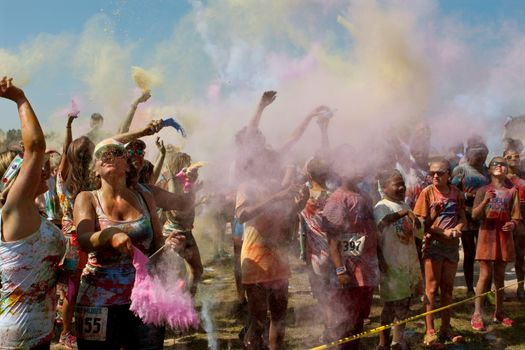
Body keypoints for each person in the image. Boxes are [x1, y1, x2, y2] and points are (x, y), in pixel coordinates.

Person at [73, 139, 183, 349]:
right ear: (95, 169)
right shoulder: (87, 198)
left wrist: (169, 246)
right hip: (98, 301)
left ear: (127, 164)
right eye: (102, 154)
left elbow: (157, 242)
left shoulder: (144, 196)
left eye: (116, 152)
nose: (109, 156)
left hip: (145, 298)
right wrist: (108, 235)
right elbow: (84, 240)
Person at [0, 76, 66, 349]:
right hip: (17, 336)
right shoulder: (15, 210)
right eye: (37, 170)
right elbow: (35, 147)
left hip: (38, 330)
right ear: (15, 180)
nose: (45, 173)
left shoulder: (30, 214)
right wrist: (19, 98)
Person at [236, 149, 308, 350]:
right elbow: (241, 215)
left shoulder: (277, 187)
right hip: (256, 260)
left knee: (279, 319)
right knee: (258, 322)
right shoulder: (246, 187)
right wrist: (276, 197)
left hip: (278, 260)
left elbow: (286, 216)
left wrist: (300, 203)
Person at [322, 146, 379, 350]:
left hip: (366, 267)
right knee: (346, 316)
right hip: (349, 270)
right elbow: (333, 239)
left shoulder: (364, 195)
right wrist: (340, 269)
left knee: (360, 316)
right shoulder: (338, 199)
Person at [413, 158, 467, 347]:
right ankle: (429, 330)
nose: (435, 176)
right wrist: (442, 231)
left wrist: (457, 229)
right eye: (432, 173)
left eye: (440, 173)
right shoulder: (427, 193)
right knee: (432, 288)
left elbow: (462, 217)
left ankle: (446, 327)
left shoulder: (457, 193)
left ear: (448, 175)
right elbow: (420, 222)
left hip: (452, 247)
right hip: (433, 245)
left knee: (448, 289)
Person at [56, 113, 95, 348]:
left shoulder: (65, 179)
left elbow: (65, 152)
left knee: (74, 286)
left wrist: (68, 125)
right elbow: (66, 153)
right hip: (79, 240)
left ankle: (69, 331)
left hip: (72, 239)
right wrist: (69, 126)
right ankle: (67, 332)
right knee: (76, 286)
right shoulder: (87, 181)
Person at [470, 157, 522, 331]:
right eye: (496, 164)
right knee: (485, 275)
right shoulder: (483, 190)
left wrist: (513, 224)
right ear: (490, 169)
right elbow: (475, 215)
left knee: (499, 276)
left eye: (503, 164)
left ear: (507, 169)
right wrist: (485, 200)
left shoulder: (512, 191)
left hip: (503, 234)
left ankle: (499, 311)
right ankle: (477, 313)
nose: (499, 166)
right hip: (487, 233)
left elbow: (516, 216)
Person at [375, 169, 422, 350]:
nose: (402, 187)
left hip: (407, 264)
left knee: (404, 304)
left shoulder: (405, 206)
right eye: (397, 184)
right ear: (384, 187)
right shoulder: (382, 206)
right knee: (389, 306)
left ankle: (398, 340)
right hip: (391, 265)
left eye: (403, 183)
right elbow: (380, 226)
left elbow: (419, 231)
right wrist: (403, 213)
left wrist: (433, 214)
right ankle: (383, 342)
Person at [451, 141, 489, 295]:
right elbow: (453, 191)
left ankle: (485, 288)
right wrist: (467, 195)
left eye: (483, 156)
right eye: (477, 156)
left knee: (485, 254)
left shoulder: (487, 171)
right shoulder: (461, 170)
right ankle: (469, 288)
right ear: (468, 155)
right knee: (469, 253)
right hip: (466, 215)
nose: (480, 159)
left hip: (484, 216)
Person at [503, 148, 525, 299]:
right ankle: (499, 290)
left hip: (522, 222)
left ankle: (521, 287)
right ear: (504, 158)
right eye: (510, 156)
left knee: (520, 257)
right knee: (502, 258)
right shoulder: (501, 179)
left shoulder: (524, 176)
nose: (514, 159)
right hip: (504, 222)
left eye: (517, 156)